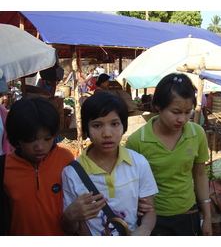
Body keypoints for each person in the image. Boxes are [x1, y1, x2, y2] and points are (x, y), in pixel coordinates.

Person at [126, 73, 212, 236]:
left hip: (188, 215)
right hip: (151, 220)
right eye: (176, 111)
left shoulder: (197, 134)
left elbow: (200, 175)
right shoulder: (137, 141)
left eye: (188, 112)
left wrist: (207, 217)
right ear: (157, 105)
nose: (182, 119)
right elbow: (129, 184)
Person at [61, 92, 158, 236]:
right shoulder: (72, 174)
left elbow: (149, 212)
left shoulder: (138, 163)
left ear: (124, 126)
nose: (107, 133)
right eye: (97, 125)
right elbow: (73, 228)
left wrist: (144, 229)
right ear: (86, 129)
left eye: (114, 124)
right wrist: (69, 217)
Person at [2, 97, 75, 235]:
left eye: (47, 139)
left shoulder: (66, 159)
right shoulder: (4, 167)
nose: (40, 147)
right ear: (16, 137)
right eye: (30, 140)